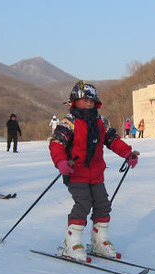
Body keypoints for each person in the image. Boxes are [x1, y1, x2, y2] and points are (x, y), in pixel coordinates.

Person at [49, 81, 139, 262]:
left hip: (96, 173)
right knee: (83, 203)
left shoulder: (100, 121)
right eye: (84, 100)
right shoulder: (69, 122)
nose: (89, 103)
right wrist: (61, 162)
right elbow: (56, 143)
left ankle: (100, 242)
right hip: (75, 172)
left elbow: (113, 140)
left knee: (103, 205)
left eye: (92, 100)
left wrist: (127, 153)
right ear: (75, 101)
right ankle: (71, 243)